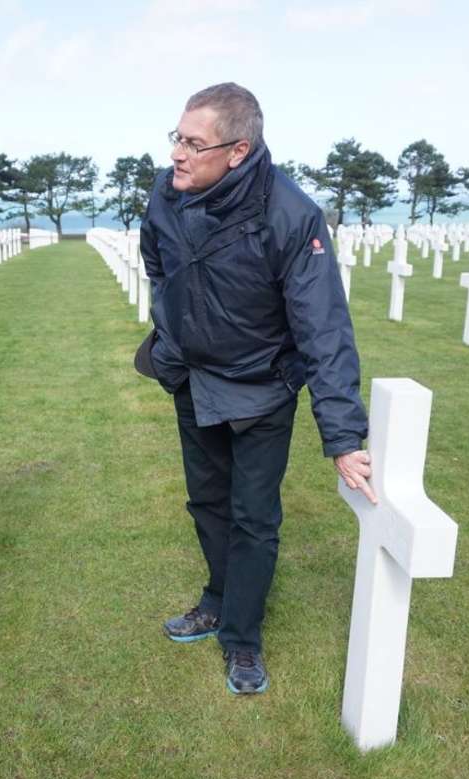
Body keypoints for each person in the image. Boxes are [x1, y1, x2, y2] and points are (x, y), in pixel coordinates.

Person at [139, 83, 376, 695]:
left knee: (253, 517)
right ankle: (217, 599)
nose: (178, 155)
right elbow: (158, 262)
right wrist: (173, 335)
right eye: (177, 138)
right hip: (193, 379)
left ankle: (242, 639)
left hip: (261, 389)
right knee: (206, 502)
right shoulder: (167, 195)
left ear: (238, 150)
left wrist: (344, 436)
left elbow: (324, 326)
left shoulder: (291, 215)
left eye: (194, 143)